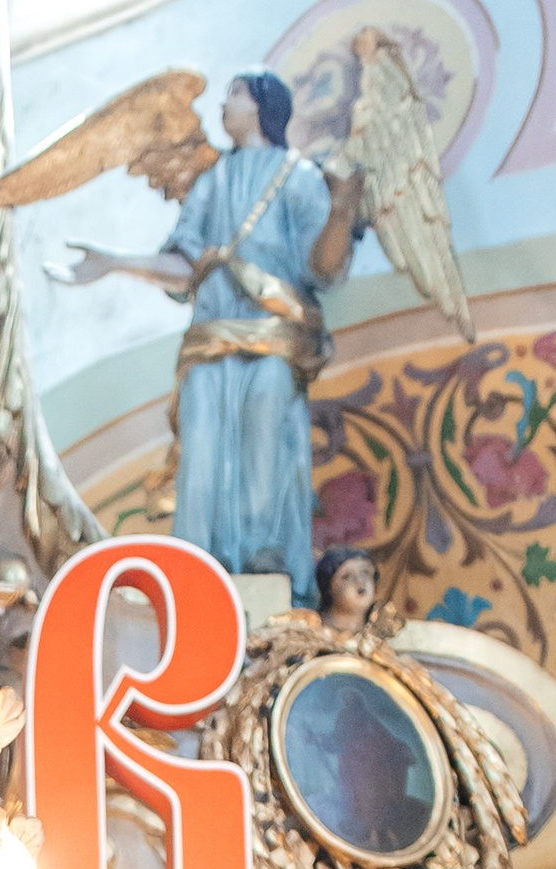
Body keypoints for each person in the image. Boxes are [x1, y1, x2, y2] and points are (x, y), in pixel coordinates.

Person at [61, 70, 352, 607]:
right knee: (200, 439)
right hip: (210, 340)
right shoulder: (213, 183)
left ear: (264, 107)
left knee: (266, 422)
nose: (224, 106)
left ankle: (270, 563)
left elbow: (324, 268)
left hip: (271, 339)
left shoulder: (298, 176)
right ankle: (199, 564)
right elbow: (185, 264)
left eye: (235, 96)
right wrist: (114, 264)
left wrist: (342, 209)